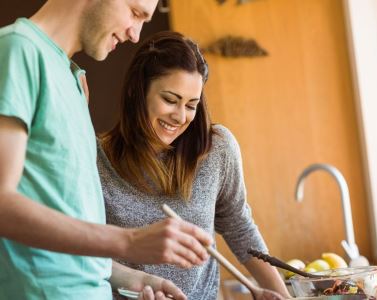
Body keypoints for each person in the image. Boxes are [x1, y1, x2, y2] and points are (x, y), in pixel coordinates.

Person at [0, 1, 213, 299]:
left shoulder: (72, 78)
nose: (135, 34)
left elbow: (69, 238)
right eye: (135, 12)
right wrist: (128, 241)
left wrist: (135, 278)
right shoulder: (17, 50)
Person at [97, 30, 291, 300]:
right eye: (169, 100)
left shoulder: (218, 149)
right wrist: (137, 284)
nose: (180, 116)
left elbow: (239, 226)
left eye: (192, 105)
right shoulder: (97, 159)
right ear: (137, 92)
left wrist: (283, 295)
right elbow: (88, 252)